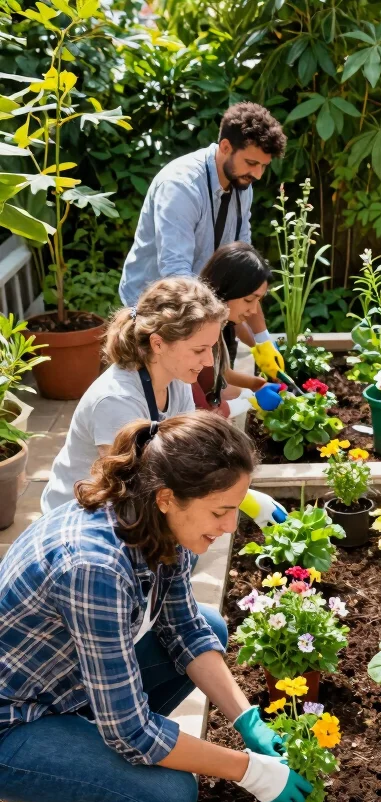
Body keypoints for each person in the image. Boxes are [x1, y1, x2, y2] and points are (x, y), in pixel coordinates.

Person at [0, 414, 311, 802]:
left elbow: (185, 629)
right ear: (168, 497)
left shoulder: (158, 521)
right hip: (13, 722)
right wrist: (249, 771)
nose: (230, 526)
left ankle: (79, 757)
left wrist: (247, 720)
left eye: (236, 507)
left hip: (64, 685)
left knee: (208, 625)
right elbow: (132, 734)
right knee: (168, 798)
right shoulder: (94, 567)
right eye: (220, 510)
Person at [40, 277, 285, 528]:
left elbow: (191, 452)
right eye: (199, 350)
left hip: (127, 507)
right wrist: (234, 500)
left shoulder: (176, 380)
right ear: (158, 343)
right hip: (80, 521)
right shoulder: (116, 401)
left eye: (211, 348)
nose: (209, 362)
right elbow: (133, 489)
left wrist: (239, 496)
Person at [119, 102, 286, 381]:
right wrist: (220, 324)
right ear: (224, 147)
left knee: (207, 393)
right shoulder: (181, 186)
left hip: (202, 305)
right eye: (251, 163)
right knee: (159, 399)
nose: (257, 174)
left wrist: (262, 340)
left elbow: (245, 272)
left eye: (263, 166)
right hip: (153, 311)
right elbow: (177, 276)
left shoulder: (242, 185)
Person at [195, 242, 283, 417]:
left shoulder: (213, 323)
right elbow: (206, 410)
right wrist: (251, 401)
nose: (253, 310)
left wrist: (257, 384)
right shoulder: (196, 334)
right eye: (250, 300)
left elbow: (219, 372)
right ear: (227, 289)